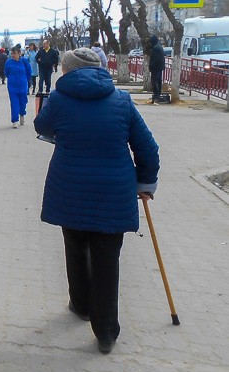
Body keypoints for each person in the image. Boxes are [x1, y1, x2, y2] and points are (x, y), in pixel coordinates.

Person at [34, 47, 159, 354]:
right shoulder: (122, 100)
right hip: (113, 193)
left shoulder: (60, 99)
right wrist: (145, 182)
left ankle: (80, 304)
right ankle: (105, 332)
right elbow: (147, 148)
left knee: (75, 248)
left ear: (67, 71)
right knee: (107, 258)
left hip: (71, 189)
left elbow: (41, 127)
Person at [5, 46, 32, 128]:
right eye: (11, 53)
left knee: (23, 102)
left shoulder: (25, 61)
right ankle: (15, 120)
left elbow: (29, 72)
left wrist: (25, 80)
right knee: (14, 103)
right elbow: (6, 72)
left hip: (23, 86)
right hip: (12, 86)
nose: (13, 55)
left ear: (19, 53)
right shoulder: (9, 62)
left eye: (14, 53)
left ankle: (22, 114)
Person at [148, 35, 166, 103]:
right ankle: (158, 94)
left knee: (154, 81)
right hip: (159, 67)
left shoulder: (155, 48)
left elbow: (156, 59)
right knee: (158, 81)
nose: (149, 44)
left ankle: (156, 95)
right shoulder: (159, 47)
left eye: (150, 42)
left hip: (156, 68)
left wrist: (151, 66)